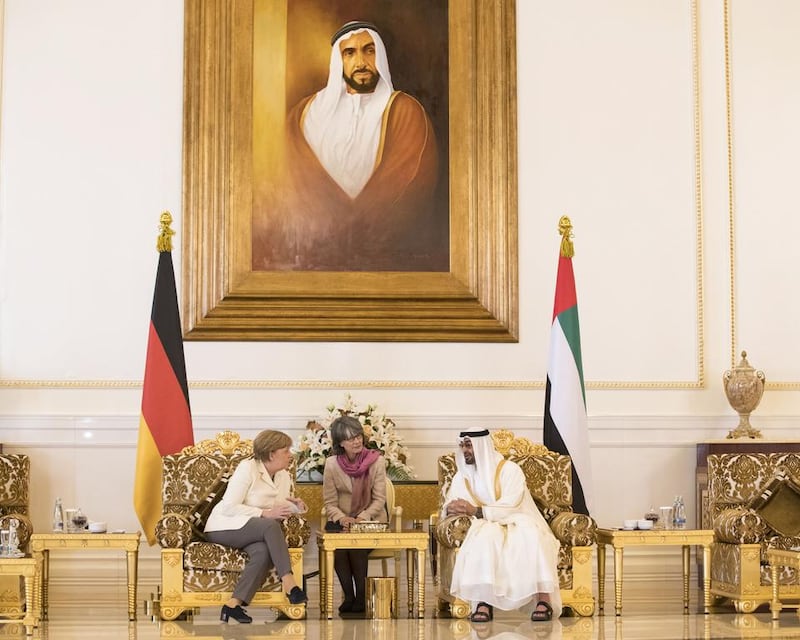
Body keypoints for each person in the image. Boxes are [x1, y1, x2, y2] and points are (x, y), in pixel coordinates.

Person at [252, 20, 446, 272]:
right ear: (338, 60)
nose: (361, 62)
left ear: (381, 55)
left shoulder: (405, 111)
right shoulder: (306, 114)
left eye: (369, 50)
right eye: (349, 53)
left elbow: (410, 184)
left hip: (385, 266)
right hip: (312, 263)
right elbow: (285, 182)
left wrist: (353, 237)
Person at [442, 430, 563, 623]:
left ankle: (543, 599)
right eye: (463, 445)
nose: (465, 450)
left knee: (531, 535)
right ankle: (483, 601)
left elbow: (512, 504)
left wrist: (476, 510)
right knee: (485, 537)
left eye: (469, 445)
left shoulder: (510, 470)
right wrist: (451, 509)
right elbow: (450, 503)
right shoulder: (462, 476)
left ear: (481, 445)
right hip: (484, 525)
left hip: (518, 519)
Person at [204, 430, 309, 623]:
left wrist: (296, 507)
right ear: (271, 454)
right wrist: (263, 513)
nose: (290, 455)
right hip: (224, 525)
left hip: (254, 529)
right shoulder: (248, 468)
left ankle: (232, 605)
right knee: (269, 525)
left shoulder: (283, 475)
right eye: (286, 450)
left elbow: (278, 508)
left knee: (263, 552)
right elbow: (229, 506)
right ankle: (289, 582)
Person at [322, 415, 387, 616]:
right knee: (341, 548)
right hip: (343, 523)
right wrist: (342, 518)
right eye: (351, 438)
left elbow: (379, 500)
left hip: (371, 521)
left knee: (356, 545)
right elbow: (330, 503)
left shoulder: (377, 461)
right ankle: (349, 596)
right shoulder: (331, 464)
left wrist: (362, 518)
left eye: (358, 436)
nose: (357, 441)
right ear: (340, 442)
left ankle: (360, 597)